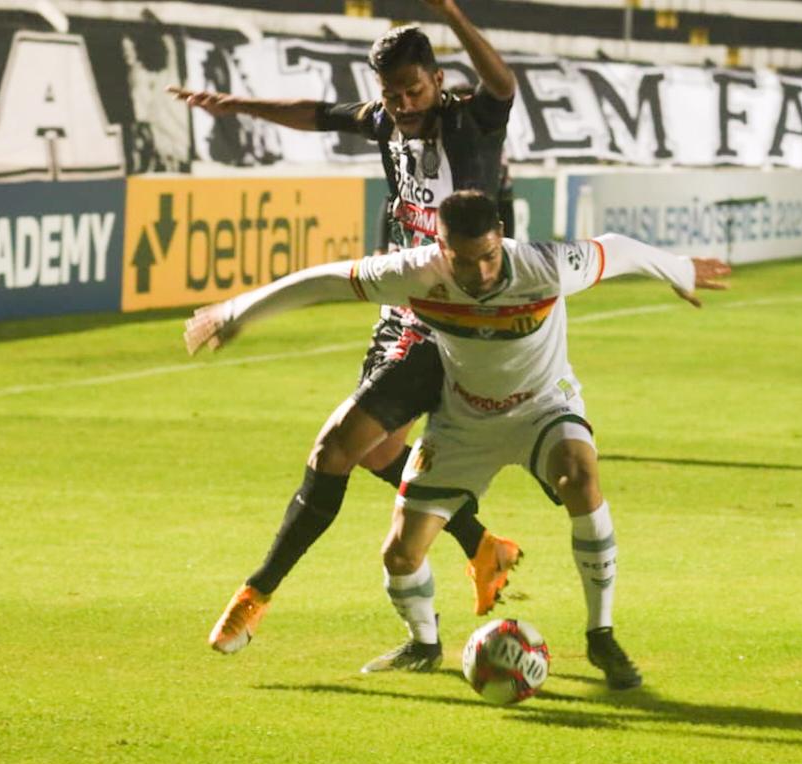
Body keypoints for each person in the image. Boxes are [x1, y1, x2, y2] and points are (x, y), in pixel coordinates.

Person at [184, 189, 732, 689]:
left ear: (501, 237)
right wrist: (237, 310)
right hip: (463, 422)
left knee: (580, 478)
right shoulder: (416, 272)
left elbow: (619, 249)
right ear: (441, 248)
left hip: (543, 407)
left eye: (489, 256)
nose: (479, 271)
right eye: (464, 260)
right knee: (401, 556)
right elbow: (325, 280)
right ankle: (423, 645)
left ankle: (601, 636)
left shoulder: (546, 265)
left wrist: (680, 269)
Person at [168, 1, 521, 654]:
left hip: (450, 320)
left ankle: (255, 595)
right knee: (380, 454)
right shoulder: (387, 121)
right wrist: (238, 105)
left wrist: (452, 15)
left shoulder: (469, 121)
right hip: (401, 310)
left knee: (334, 449)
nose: (403, 104)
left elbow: (503, 85)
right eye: (391, 94)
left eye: (413, 90)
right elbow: (317, 113)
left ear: (438, 80)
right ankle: (481, 548)